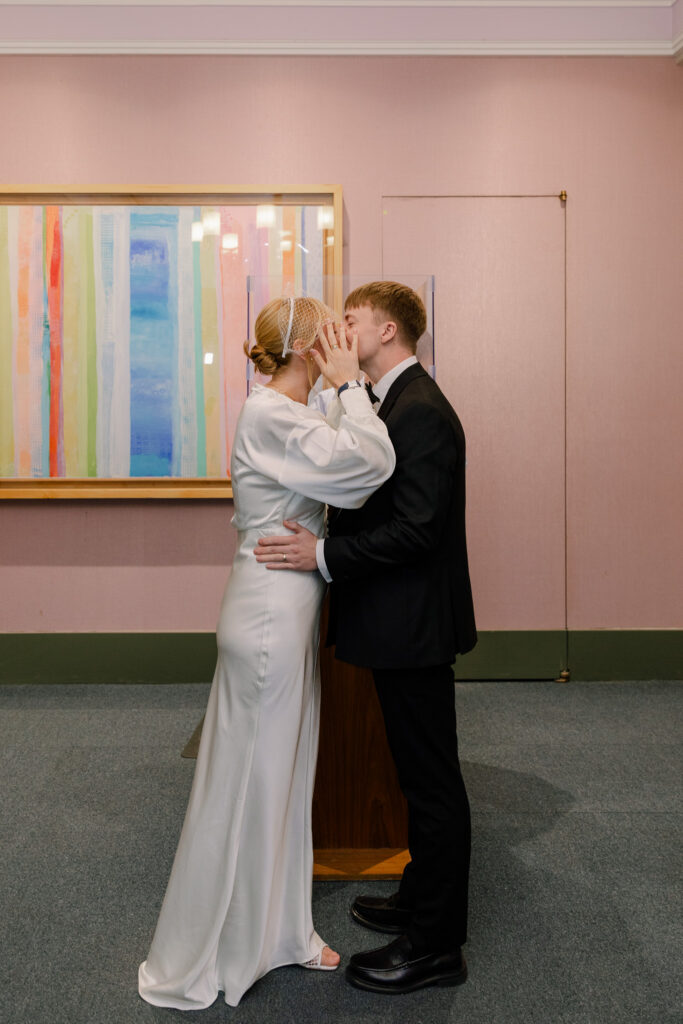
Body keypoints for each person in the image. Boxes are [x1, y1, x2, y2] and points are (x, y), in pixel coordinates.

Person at [138, 296, 395, 1009]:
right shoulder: (274, 416)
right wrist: (350, 383)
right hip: (267, 621)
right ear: (310, 349)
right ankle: (232, 945)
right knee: (253, 780)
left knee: (280, 774)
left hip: (281, 609)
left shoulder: (290, 411)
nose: (343, 343)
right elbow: (370, 464)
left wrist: (339, 392)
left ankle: (277, 931)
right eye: (331, 336)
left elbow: (344, 454)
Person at [254, 281, 477, 995]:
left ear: (385, 331)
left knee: (431, 783)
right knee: (415, 776)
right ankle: (419, 896)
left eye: (349, 320)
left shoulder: (420, 410)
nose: (338, 331)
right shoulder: (389, 402)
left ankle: (437, 946)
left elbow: (416, 531)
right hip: (395, 622)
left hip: (413, 626)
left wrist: (321, 555)